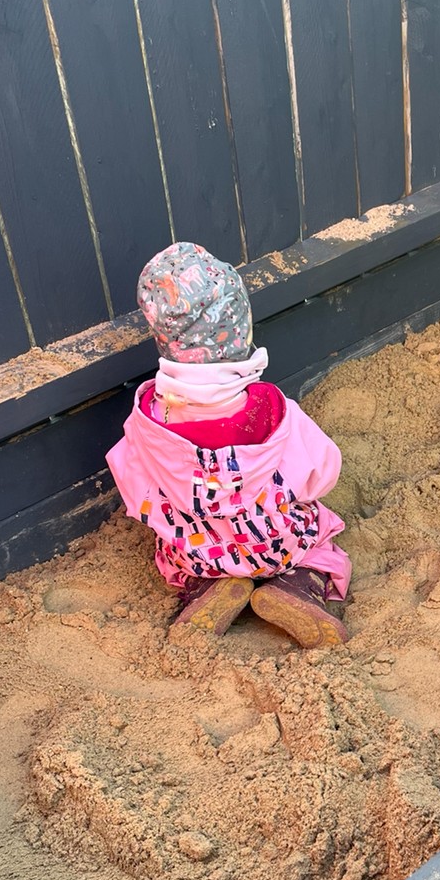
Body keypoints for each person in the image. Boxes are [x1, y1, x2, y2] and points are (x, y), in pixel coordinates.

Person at [106, 242, 350, 646]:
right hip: (275, 543)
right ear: (241, 328)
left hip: (199, 550)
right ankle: (297, 587)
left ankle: (206, 587)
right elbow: (322, 473)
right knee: (318, 539)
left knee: (177, 554)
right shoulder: (272, 412)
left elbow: (135, 492)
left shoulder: (147, 422)